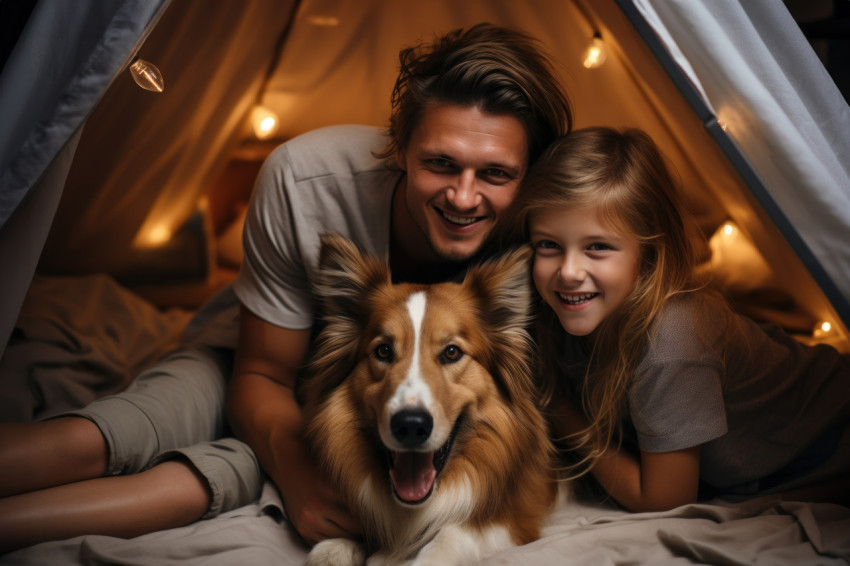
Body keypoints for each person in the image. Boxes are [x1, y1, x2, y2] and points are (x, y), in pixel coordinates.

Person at [0, 23, 572, 551]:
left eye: (495, 174)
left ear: (527, 177)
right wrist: (299, 477)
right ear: (399, 146)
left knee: (202, 482)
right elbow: (260, 375)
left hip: (341, 417)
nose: (464, 197)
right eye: (441, 163)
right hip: (245, 366)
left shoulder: (543, 238)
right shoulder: (304, 178)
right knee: (107, 438)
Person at [510, 126, 850, 513]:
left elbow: (665, 501)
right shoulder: (557, 314)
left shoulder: (672, 340)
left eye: (598, 247)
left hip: (834, 442)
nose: (569, 271)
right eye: (549, 245)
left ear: (649, 253)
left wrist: (562, 414)